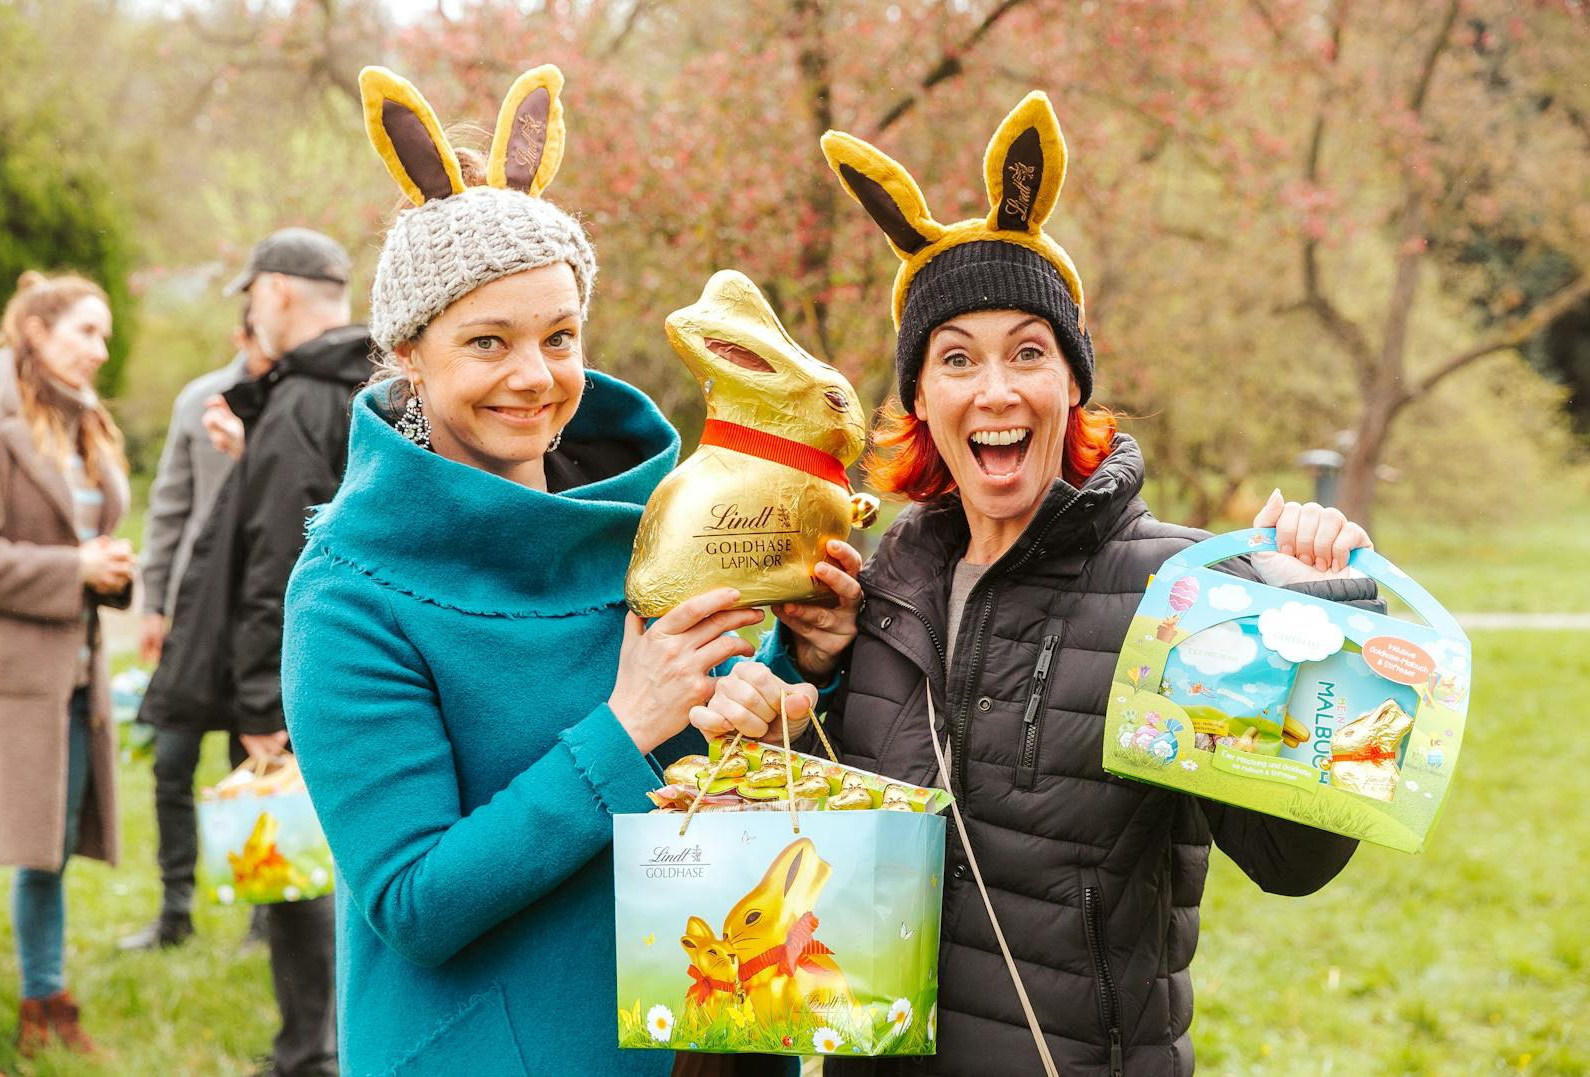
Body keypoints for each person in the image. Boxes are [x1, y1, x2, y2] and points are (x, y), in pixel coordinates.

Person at [694, 93, 1381, 1076]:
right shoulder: (887, 579)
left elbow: (1294, 863)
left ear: (1071, 384)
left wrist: (1326, 631)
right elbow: (839, 849)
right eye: (956, 360)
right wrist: (809, 679)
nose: (995, 389)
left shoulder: (1180, 591)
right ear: (921, 401)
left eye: (1027, 352)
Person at [280, 66, 841, 1077]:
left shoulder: (663, 524)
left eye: (558, 336)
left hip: (711, 1034)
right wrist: (625, 729)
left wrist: (802, 661)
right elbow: (413, 901)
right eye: (486, 342)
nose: (533, 376)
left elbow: (731, 744)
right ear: (408, 350)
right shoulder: (351, 589)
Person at [140, 226, 364, 1077]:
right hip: (360, 665)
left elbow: (280, 567)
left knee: (301, 872)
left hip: (303, 681)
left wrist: (267, 710)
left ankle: (309, 1054)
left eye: (249, 296)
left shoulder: (305, 399)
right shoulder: (365, 385)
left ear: (274, 294)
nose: (247, 312)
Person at [0, 271, 135, 1072]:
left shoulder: (86, 427)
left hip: (76, 682)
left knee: (48, 854)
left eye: (104, 336)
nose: (99, 351)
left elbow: (95, 543)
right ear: (35, 333)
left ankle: (47, 1008)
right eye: (85, 332)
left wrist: (108, 568)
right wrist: (75, 565)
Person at [120, 313, 269, 952]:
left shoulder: (306, 405)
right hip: (191, 614)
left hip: (261, 615)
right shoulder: (196, 400)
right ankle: (174, 909)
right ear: (239, 335)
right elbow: (168, 508)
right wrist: (153, 604)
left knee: (257, 762)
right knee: (172, 761)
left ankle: (266, 918)